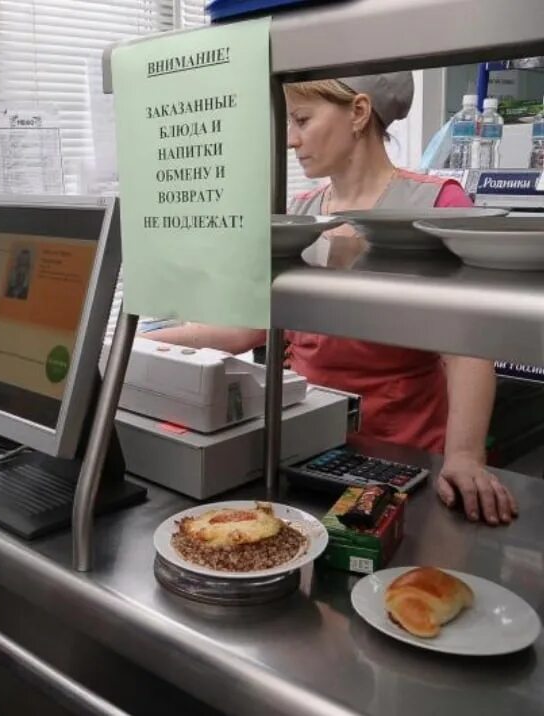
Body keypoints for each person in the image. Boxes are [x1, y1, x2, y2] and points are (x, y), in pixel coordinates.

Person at [147, 73, 517, 526]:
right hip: (305, 441)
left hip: (403, 447)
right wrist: (139, 343)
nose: (291, 140)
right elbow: (248, 325)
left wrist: (464, 456)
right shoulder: (302, 212)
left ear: (359, 112)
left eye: (302, 119)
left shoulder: (436, 203)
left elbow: (467, 348)